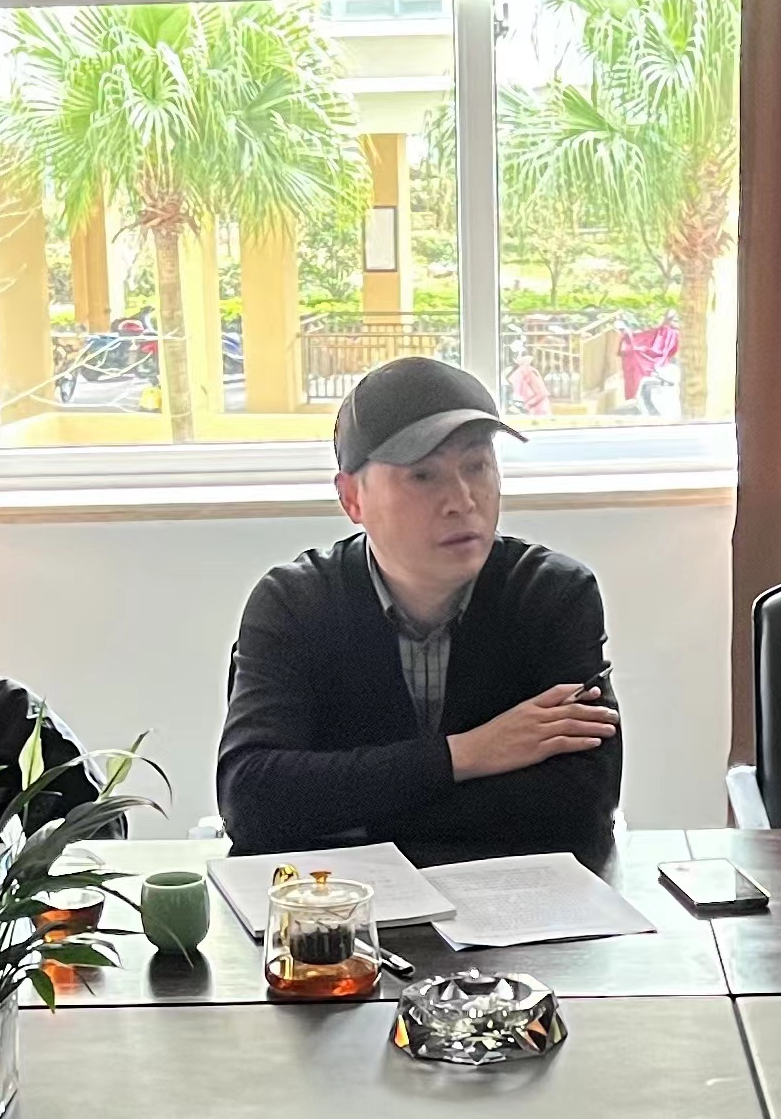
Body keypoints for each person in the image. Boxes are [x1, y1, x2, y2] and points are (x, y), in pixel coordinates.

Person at [216, 356, 622, 862]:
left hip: (512, 900)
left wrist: (352, 808)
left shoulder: (553, 594)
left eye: (476, 467)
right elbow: (252, 800)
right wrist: (469, 753)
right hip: (344, 901)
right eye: (423, 475)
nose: (462, 500)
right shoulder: (293, 603)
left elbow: (582, 803)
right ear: (352, 499)